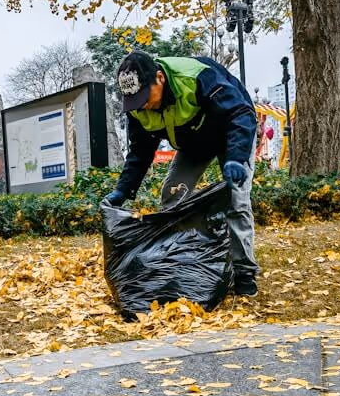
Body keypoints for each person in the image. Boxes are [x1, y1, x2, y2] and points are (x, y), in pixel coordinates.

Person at [103, 51, 259, 296]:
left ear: (159, 78)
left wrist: (237, 158)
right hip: (194, 144)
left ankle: (244, 273)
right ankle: (179, 263)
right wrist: (123, 190)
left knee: (236, 199)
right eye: (136, 101)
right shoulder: (137, 108)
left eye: (145, 96)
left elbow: (240, 113)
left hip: (232, 133)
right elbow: (140, 152)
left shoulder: (197, 77)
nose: (143, 105)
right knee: (172, 196)